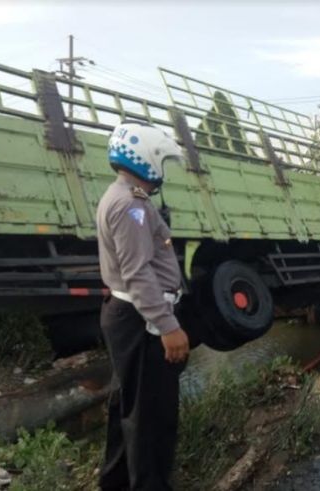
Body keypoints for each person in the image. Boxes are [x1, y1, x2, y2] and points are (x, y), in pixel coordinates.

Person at [96, 120, 190, 490]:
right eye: (162, 160)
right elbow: (137, 273)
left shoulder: (125, 197)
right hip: (141, 321)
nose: (162, 170)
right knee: (151, 416)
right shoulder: (131, 206)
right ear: (147, 158)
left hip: (131, 317)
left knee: (131, 408)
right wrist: (168, 326)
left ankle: (116, 483)